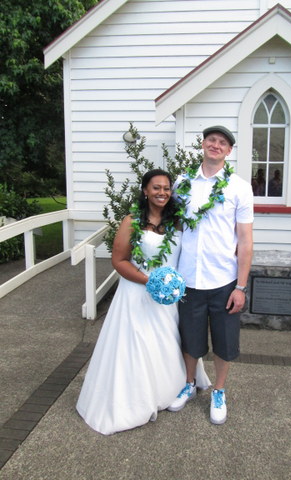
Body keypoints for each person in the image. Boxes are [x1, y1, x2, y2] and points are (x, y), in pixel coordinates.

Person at [76, 169, 211, 435]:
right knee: (137, 344)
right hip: (137, 294)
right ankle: (136, 398)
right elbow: (119, 260)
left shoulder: (178, 222)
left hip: (169, 298)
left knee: (168, 341)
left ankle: (172, 389)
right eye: (156, 188)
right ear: (145, 191)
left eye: (167, 188)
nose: (162, 193)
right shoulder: (132, 221)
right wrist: (149, 281)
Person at [168, 126, 254, 425]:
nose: (215, 145)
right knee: (190, 339)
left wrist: (241, 286)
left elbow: (245, 240)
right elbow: (171, 226)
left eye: (223, 143)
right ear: (203, 144)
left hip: (224, 280)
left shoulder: (239, 188)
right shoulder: (181, 183)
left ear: (229, 151)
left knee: (225, 340)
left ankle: (219, 389)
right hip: (188, 278)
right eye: (211, 140)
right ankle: (190, 384)